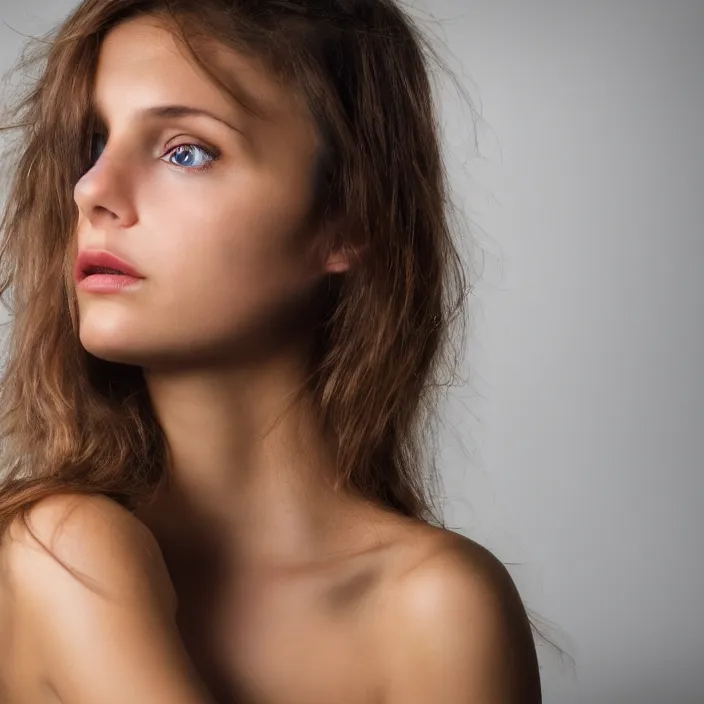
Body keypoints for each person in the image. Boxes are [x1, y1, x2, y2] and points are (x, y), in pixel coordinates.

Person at [0, 0, 544, 702]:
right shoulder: (36, 562)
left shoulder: (440, 608)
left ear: (346, 217)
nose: (92, 190)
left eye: (185, 151)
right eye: (93, 145)